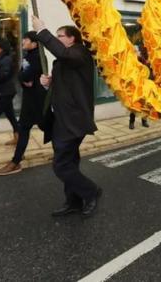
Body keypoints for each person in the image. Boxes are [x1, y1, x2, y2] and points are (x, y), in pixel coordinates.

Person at [33, 16, 101, 217]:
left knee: (61, 165)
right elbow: (64, 82)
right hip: (60, 119)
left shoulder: (80, 53)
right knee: (69, 161)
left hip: (73, 120)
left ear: (72, 39)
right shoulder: (63, 59)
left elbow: (63, 54)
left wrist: (42, 31)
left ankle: (91, 191)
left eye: (60, 35)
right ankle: (73, 201)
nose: (57, 37)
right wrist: (48, 83)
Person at [0, 32, 48, 176]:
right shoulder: (29, 55)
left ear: (35, 43)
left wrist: (23, 77)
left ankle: (63, 152)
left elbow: (26, 75)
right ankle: (16, 160)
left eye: (26, 39)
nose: (22, 41)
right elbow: (21, 75)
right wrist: (23, 77)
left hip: (39, 100)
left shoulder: (38, 57)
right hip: (30, 100)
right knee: (24, 128)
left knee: (47, 127)